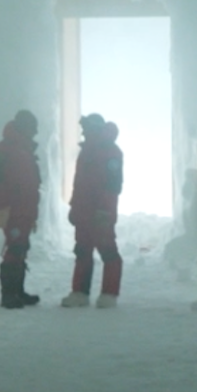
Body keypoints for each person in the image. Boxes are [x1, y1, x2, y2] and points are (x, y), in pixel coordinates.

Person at [0, 109, 43, 308]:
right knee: (15, 247)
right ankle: (8, 296)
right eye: (32, 128)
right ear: (24, 127)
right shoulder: (4, 149)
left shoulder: (25, 150)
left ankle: (17, 291)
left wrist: (33, 212)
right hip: (12, 209)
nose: (35, 133)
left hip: (25, 210)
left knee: (21, 247)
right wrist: (3, 206)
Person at [65, 114, 124, 308]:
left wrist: (105, 211)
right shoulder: (86, 152)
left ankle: (109, 294)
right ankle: (79, 293)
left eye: (85, 128)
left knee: (108, 252)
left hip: (101, 214)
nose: (82, 131)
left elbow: (113, 185)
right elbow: (79, 184)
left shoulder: (112, 152)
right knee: (82, 250)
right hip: (83, 212)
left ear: (93, 128)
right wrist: (74, 207)